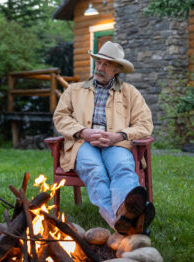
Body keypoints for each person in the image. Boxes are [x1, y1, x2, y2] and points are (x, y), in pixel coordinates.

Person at [53, 41, 155, 235]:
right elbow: (60, 117)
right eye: (98, 62)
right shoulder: (74, 90)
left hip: (116, 144)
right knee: (95, 171)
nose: (100, 67)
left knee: (123, 168)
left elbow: (145, 124)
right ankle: (126, 220)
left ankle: (124, 218)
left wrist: (118, 136)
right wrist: (83, 132)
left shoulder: (130, 93)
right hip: (82, 143)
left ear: (116, 69)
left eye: (106, 64)